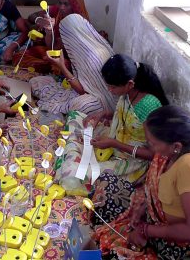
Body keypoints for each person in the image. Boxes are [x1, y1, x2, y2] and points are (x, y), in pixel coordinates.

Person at [90, 105, 190, 259]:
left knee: (116, 254)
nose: (150, 147)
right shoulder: (169, 155)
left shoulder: (189, 167)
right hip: (156, 222)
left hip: (180, 244)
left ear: (176, 146)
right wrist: (142, 205)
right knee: (106, 182)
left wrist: (146, 230)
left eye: (152, 143)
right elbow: (153, 189)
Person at [55, 54, 168, 195]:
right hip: (115, 140)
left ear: (130, 84)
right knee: (75, 116)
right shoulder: (129, 92)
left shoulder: (148, 106)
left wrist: (114, 144)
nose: (109, 90)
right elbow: (126, 117)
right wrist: (103, 114)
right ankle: (72, 157)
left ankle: (70, 161)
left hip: (131, 160)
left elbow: (153, 154)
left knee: (72, 175)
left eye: (112, 87)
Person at [29, 14, 115, 116]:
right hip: (79, 91)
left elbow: (82, 91)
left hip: (100, 102)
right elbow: (53, 46)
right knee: (37, 81)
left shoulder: (90, 57)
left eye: (64, 35)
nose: (63, 39)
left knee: (83, 105)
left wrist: (62, 67)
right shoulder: (90, 45)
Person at [11, 0, 90, 75]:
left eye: (66, 4)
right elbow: (31, 17)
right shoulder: (56, 10)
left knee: (63, 67)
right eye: (60, 3)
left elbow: (63, 50)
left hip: (66, 57)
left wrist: (52, 56)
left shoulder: (81, 22)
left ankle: (48, 67)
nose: (62, 7)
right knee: (18, 56)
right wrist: (40, 21)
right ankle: (47, 67)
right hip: (50, 51)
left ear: (75, 5)